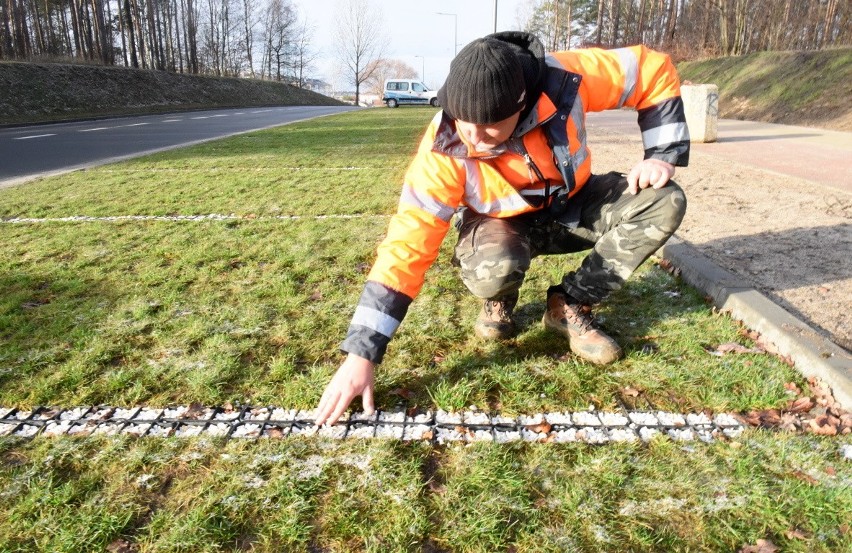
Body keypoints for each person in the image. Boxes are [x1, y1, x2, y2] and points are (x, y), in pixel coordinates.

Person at [315, 31, 689, 426]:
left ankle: (570, 303)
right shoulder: (444, 147)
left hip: (570, 207)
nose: (473, 138)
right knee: (493, 268)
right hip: (499, 228)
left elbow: (649, 68)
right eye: (464, 121)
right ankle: (500, 297)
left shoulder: (567, 79)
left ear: (522, 103)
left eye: (489, 125)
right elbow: (406, 246)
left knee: (664, 200)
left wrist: (662, 154)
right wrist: (362, 354)